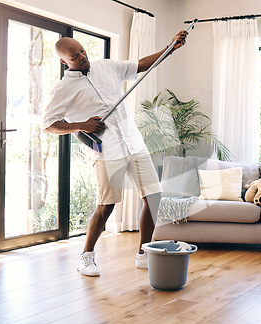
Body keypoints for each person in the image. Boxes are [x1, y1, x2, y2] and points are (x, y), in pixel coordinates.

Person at [43, 31, 188, 276]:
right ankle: (86, 256)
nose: (83, 57)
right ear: (63, 62)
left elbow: (141, 64)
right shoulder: (63, 89)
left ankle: (144, 253)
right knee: (106, 206)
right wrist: (82, 125)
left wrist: (170, 47)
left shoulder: (106, 67)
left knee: (154, 196)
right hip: (107, 151)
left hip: (134, 144)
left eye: (83, 51)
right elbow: (49, 124)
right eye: (75, 57)